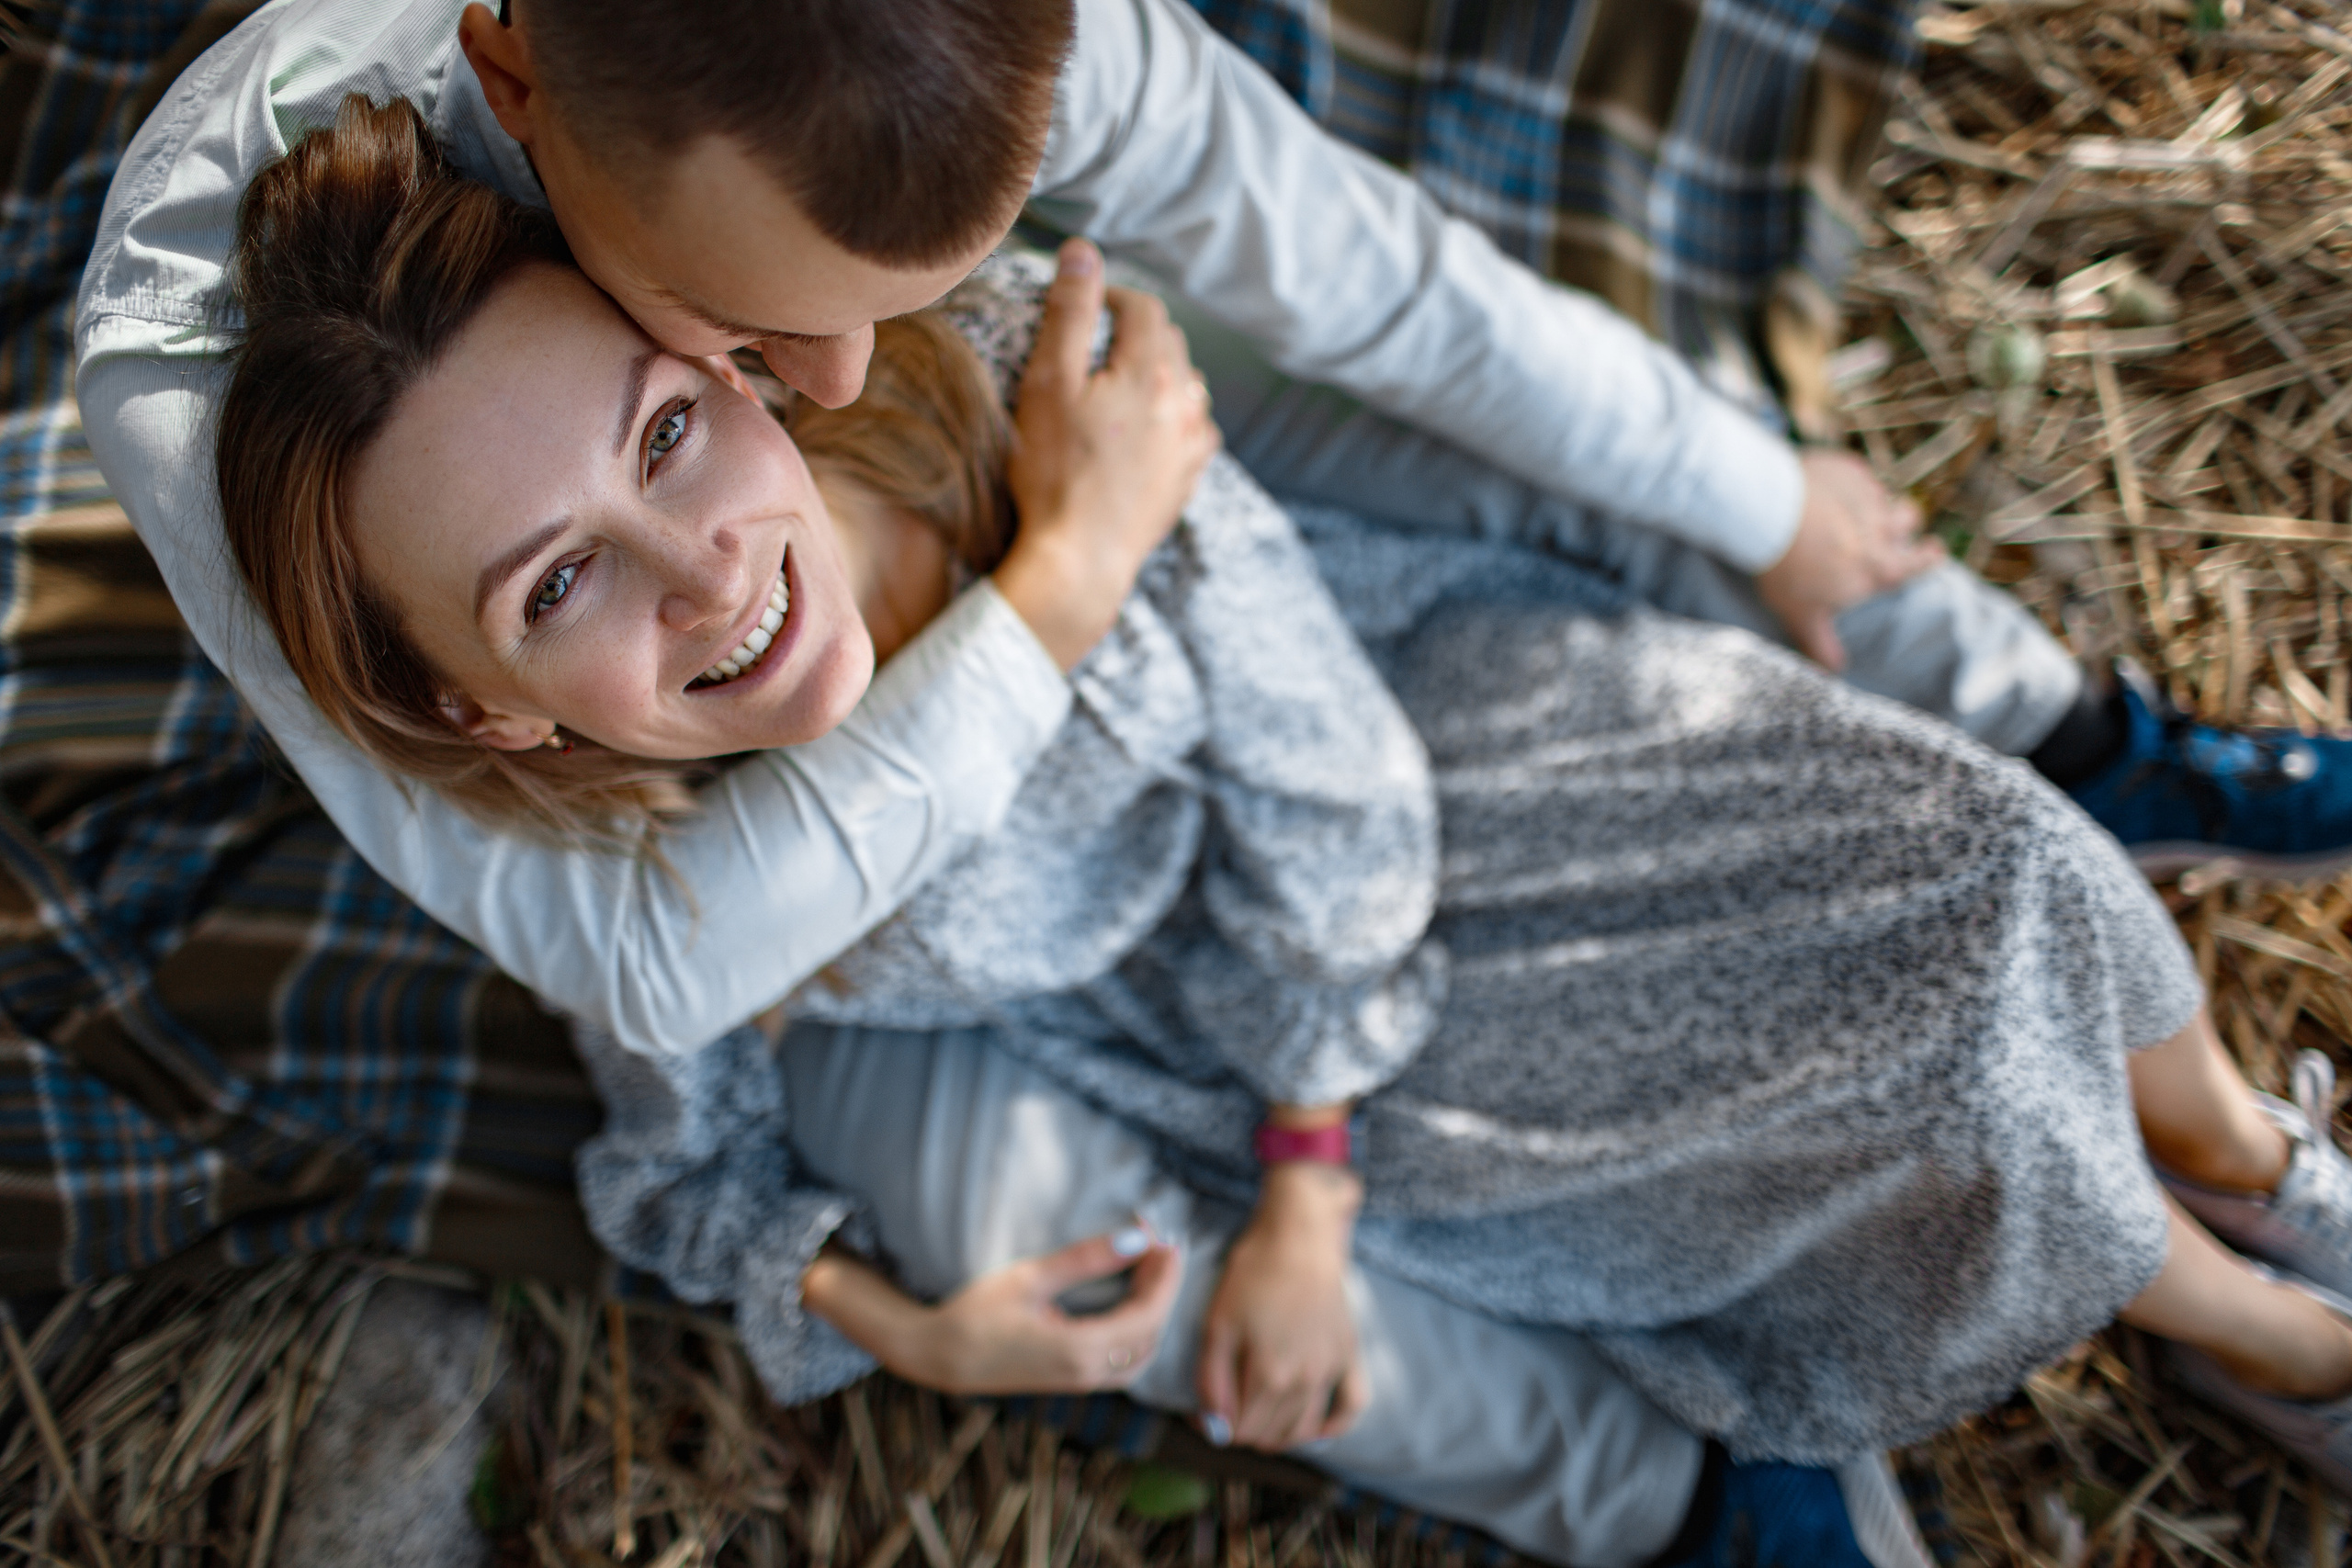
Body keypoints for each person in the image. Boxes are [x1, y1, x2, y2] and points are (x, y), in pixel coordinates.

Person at [213, 98, 2352, 1564]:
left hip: (1420, 741)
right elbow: (677, 1166)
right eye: (556, 583)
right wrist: (908, 1322)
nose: (697, 574)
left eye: (663, 432)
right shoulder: (637, 858)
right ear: (487, 699)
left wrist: (1311, 1173)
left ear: (724, 363)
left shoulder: (968, 390)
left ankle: (2253, 1167)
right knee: (1902, 1094)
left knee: (1988, 865)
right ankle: (2261, 1331)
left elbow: (1325, 762)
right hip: (1231, 1031)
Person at [80, 0, 2352, 1086]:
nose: (845, 377)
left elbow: (1384, 284)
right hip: (568, 518)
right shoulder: (202, 389)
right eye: (763, 322)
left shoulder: (1035, 67)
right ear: (522, 75)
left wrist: (1752, 493)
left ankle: (2064, 721)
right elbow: (655, 964)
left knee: (1572, 451)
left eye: (884, 296)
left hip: (1026, 386)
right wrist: (1068, 578)